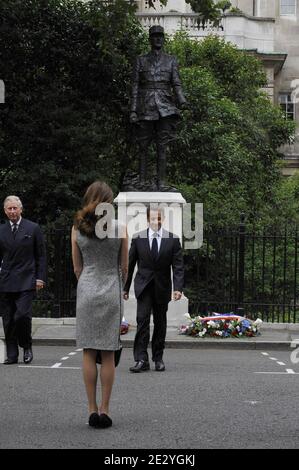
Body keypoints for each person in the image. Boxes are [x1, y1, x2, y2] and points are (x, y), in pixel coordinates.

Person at [72, 181, 128, 428]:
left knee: (88, 351)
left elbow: (77, 267)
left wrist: (86, 284)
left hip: (86, 290)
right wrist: (117, 284)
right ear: (109, 201)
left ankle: (91, 408)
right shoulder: (120, 228)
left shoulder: (77, 229)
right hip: (110, 291)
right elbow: (124, 267)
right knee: (108, 352)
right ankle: (105, 409)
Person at [123, 207, 184, 372]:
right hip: (143, 287)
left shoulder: (172, 240)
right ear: (147, 219)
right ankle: (141, 360)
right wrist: (125, 287)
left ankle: (158, 358)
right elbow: (130, 264)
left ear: (162, 219)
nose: (155, 221)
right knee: (142, 321)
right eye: (152, 218)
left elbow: (178, 267)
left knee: (160, 323)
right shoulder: (138, 238)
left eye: (158, 218)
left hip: (162, 288)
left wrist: (178, 288)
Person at [130, 25, 187, 189]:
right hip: (145, 105)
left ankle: (161, 181)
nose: (158, 39)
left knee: (163, 146)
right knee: (143, 145)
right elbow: (134, 86)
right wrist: (133, 110)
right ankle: (141, 180)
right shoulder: (140, 60)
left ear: (163, 39)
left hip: (165, 106)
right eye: (154, 36)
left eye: (160, 36)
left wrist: (182, 100)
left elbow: (176, 83)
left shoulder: (171, 60)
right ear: (150, 39)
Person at [0, 196, 46, 365]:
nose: (12, 211)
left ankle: (26, 345)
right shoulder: (1, 230)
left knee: (22, 316)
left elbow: (40, 255)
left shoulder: (33, 228)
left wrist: (40, 278)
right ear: (5, 211)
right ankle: (12, 355)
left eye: (15, 208)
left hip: (27, 280)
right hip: (6, 281)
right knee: (8, 319)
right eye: (9, 209)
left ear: (21, 209)